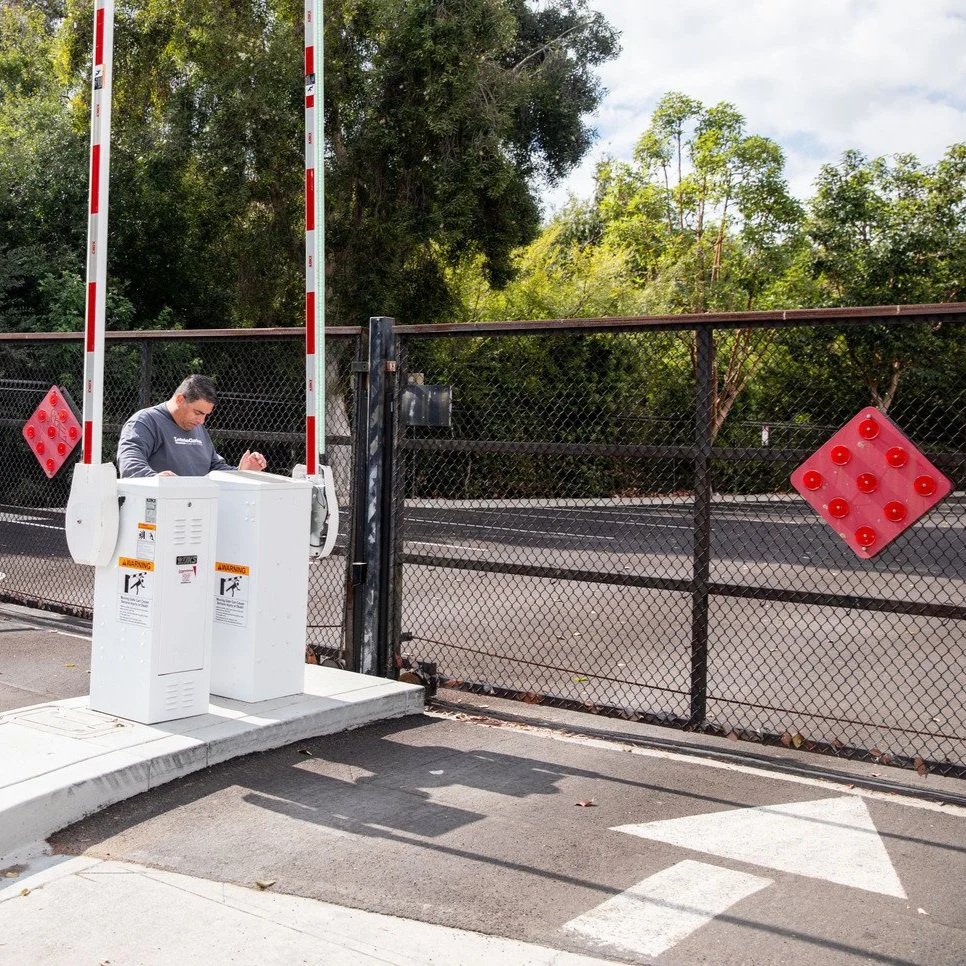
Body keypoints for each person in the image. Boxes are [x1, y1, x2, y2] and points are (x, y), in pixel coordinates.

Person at [117, 374, 268, 478]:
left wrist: (242, 473)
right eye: (197, 412)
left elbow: (214, 467)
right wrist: (157, 481)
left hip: (196, 511)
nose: (201, 421)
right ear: (180, 399)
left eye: (205, 415)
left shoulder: (197, 427)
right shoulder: (145, 422)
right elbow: (129, 464)